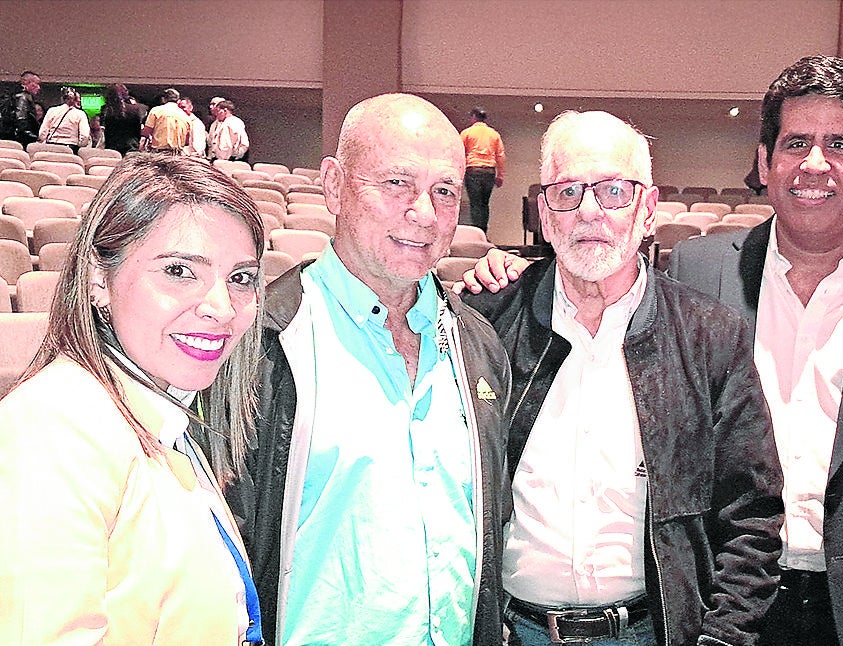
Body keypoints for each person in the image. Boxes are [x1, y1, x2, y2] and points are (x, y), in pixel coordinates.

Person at [460, 110, 783, 645]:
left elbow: (753, 517)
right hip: (513, 630)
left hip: (653, 632)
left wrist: (723, 638)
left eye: (614, 190)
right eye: (568, 192)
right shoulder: (486, 324)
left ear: (648, 208)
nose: (590, 212)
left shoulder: (712, 337)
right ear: (543, 212)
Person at [668, 56, 843, 645]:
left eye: (840, 145)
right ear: (764, 162)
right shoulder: (696, 272)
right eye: (796, 142)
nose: (814, 164)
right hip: (726, 607)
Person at [226, 93, 512, 645]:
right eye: (397, 183)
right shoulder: (258, 342)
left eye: (444, 191)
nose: (423, 214)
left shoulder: (479, 346)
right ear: (333, 185)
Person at [0, 154, 266, 644]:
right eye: (180, 270)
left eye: (241, 278)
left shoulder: (162, 415)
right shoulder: (52, 427)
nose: (223, 308)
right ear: (99, 279)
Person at [460, 107, 505, 232]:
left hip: (473, 169)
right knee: (484, 204)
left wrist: (458, 172)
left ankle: (477, 232)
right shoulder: (493, 134)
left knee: (475, 203)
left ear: (473, 118)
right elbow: (500, 155)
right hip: (489, 171)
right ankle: (483, 231)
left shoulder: (467, 133)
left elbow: (460, 153)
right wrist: (500, 175)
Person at [38, 86, 90, 153]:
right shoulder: (80, 114)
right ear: (75, 99)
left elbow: (42, 133)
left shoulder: (52, 111)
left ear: (62, 99)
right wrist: (79, 145)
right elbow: (85, 136)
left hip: (51, 146)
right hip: (71, 148)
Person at [139, 87, 190, 153]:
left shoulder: (156, 111)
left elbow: (146, 132)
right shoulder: (185, 116)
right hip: (178, 154)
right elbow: (187, 140)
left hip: (160, 152)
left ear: (163, 99)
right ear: (178, 101)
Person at [101, 83, 142, 155]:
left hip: (112, 147)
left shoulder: (106, 110)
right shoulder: (134, 109)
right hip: (131, 146)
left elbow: (106, 132)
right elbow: (137, 130)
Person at [12, 71, 41, 147]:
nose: (39, 88)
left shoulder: (19, 96)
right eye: (37, 84)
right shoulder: (23, 98)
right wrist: (34, 138)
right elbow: (21, 121)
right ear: (27, 83)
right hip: (21, 141)